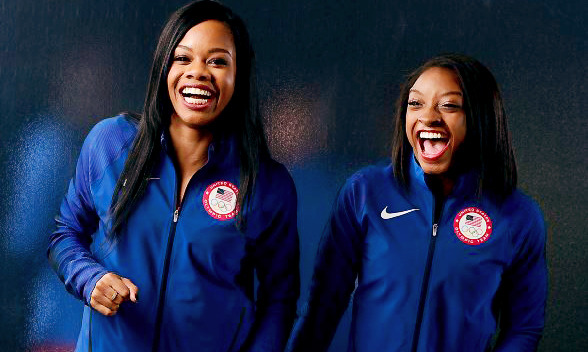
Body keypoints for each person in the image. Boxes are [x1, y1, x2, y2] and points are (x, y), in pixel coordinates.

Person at [47, 1, 299, 351]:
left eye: (217, 61)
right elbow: (65, 235)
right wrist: (90, 280)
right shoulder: (110, 144)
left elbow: (280, 299)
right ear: (164, 67)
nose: (198, 72)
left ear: (238, 75)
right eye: (183, 58)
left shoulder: (267, 184)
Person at [287, 54, 547, 352]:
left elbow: (523, 328)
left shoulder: (518, 216)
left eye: (449, 105)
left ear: (482, 118)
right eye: (415, 103)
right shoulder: (365, 192)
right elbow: (322, 309)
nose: (428, 117)